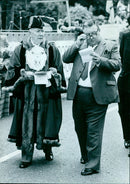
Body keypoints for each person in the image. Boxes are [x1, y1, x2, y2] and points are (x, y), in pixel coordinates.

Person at [4, 16, 66, 168]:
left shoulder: (51, 49)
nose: (41, 34)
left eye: (42, 31)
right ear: (30, 31)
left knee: (47, 122)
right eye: (38, 30)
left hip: (46, 92)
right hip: (27, 94)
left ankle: (47, 149)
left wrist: (54, 73)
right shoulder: (21, 48)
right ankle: (26, 155)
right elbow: (12, 69)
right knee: (26, 124)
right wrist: (23, 73)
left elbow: (59, 68)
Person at [63, 20, 120, 175]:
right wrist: (76, 44)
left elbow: (117, 64)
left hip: (98, 95)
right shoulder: (81, 44)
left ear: (99, 31)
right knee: (80, 128)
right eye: (88, 34)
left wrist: (100, 61)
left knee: (93, 131)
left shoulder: (109, 45)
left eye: (93, 33)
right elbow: (65, 59)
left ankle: (93, 164)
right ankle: (86, 156)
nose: (91, 37)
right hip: (79, 94)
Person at [117, 17, 130, 149]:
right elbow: (121, 56)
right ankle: (127, 137)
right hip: (125, 79)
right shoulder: (125, 36)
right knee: (123, 110)